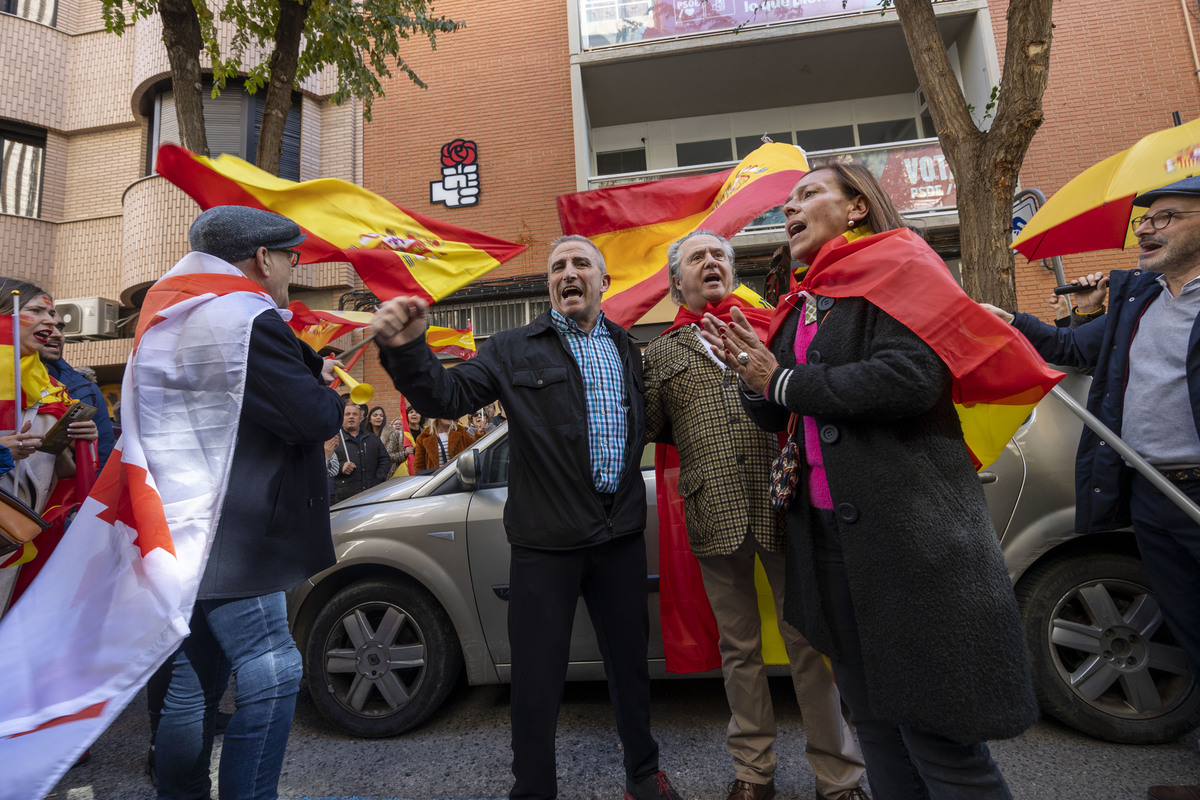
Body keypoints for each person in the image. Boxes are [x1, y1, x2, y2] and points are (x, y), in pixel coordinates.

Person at [701, 163, 1038, 800]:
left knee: (942, 747)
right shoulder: (807, 300)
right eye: (788, 202)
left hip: (908, 545)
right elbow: (780, 410)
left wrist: (781, 379)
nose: (789, 209)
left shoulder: (903, 268)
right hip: (829, 542)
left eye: (808, 195)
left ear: (857, 207)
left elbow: (914, 378)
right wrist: (746, 371)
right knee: (878, 732)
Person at [372, 234, 683, 800]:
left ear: (603, 283)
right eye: (558, 266)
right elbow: (446, 396)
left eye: (581, 264)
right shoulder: (512, 348)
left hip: (620, 539)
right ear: (549, 285)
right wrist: (408, 351)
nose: (569, 272)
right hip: (546, 546)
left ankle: (642, 773)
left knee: (632, 672)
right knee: (537, 681)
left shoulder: (626, 347)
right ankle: (533, 788)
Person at [985, 174, 1200, 800]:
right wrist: (1010, 321)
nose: (1147, 227)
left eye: (1168, 216)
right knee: (1190, 630)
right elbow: (1071, 348)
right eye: (1145, 218)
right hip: (1155, 493)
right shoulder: (1138, 298)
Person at [644, 230, 867, 800]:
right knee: (738, 651)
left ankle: (838, 776)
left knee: (808, 644)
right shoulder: (660, 354)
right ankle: (753, 771)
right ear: (678, 282)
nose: (711, 262)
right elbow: (643, 429)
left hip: (780, 501)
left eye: (718, 255)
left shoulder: (771, 327)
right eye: (697, 258)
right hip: (712, 511)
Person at [147, 206, 343, 800]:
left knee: (193, 682)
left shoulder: (171, 313)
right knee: (274, 671)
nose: (291, 268)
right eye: (291, 257)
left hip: (178, 523)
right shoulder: (245, 317)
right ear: (262, 258)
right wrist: (325, 387)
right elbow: (309, 418)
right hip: (236, 529)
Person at [41, 319, 116, 468]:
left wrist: (88, 444)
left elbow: (103, 459)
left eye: (60, 327)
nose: (57, 334)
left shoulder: (86, 390)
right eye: (45, 326)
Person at [333, 398, 390, 502]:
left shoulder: (373, 439)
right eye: (347, 414)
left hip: (372, 495)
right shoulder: (334, 440)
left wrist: (378, 479)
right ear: (341, 418)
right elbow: (325, 464)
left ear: (361, 418)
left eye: (354, 414)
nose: (351, 417)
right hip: (345, 499)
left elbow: (385, 459)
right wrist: (341, 467)